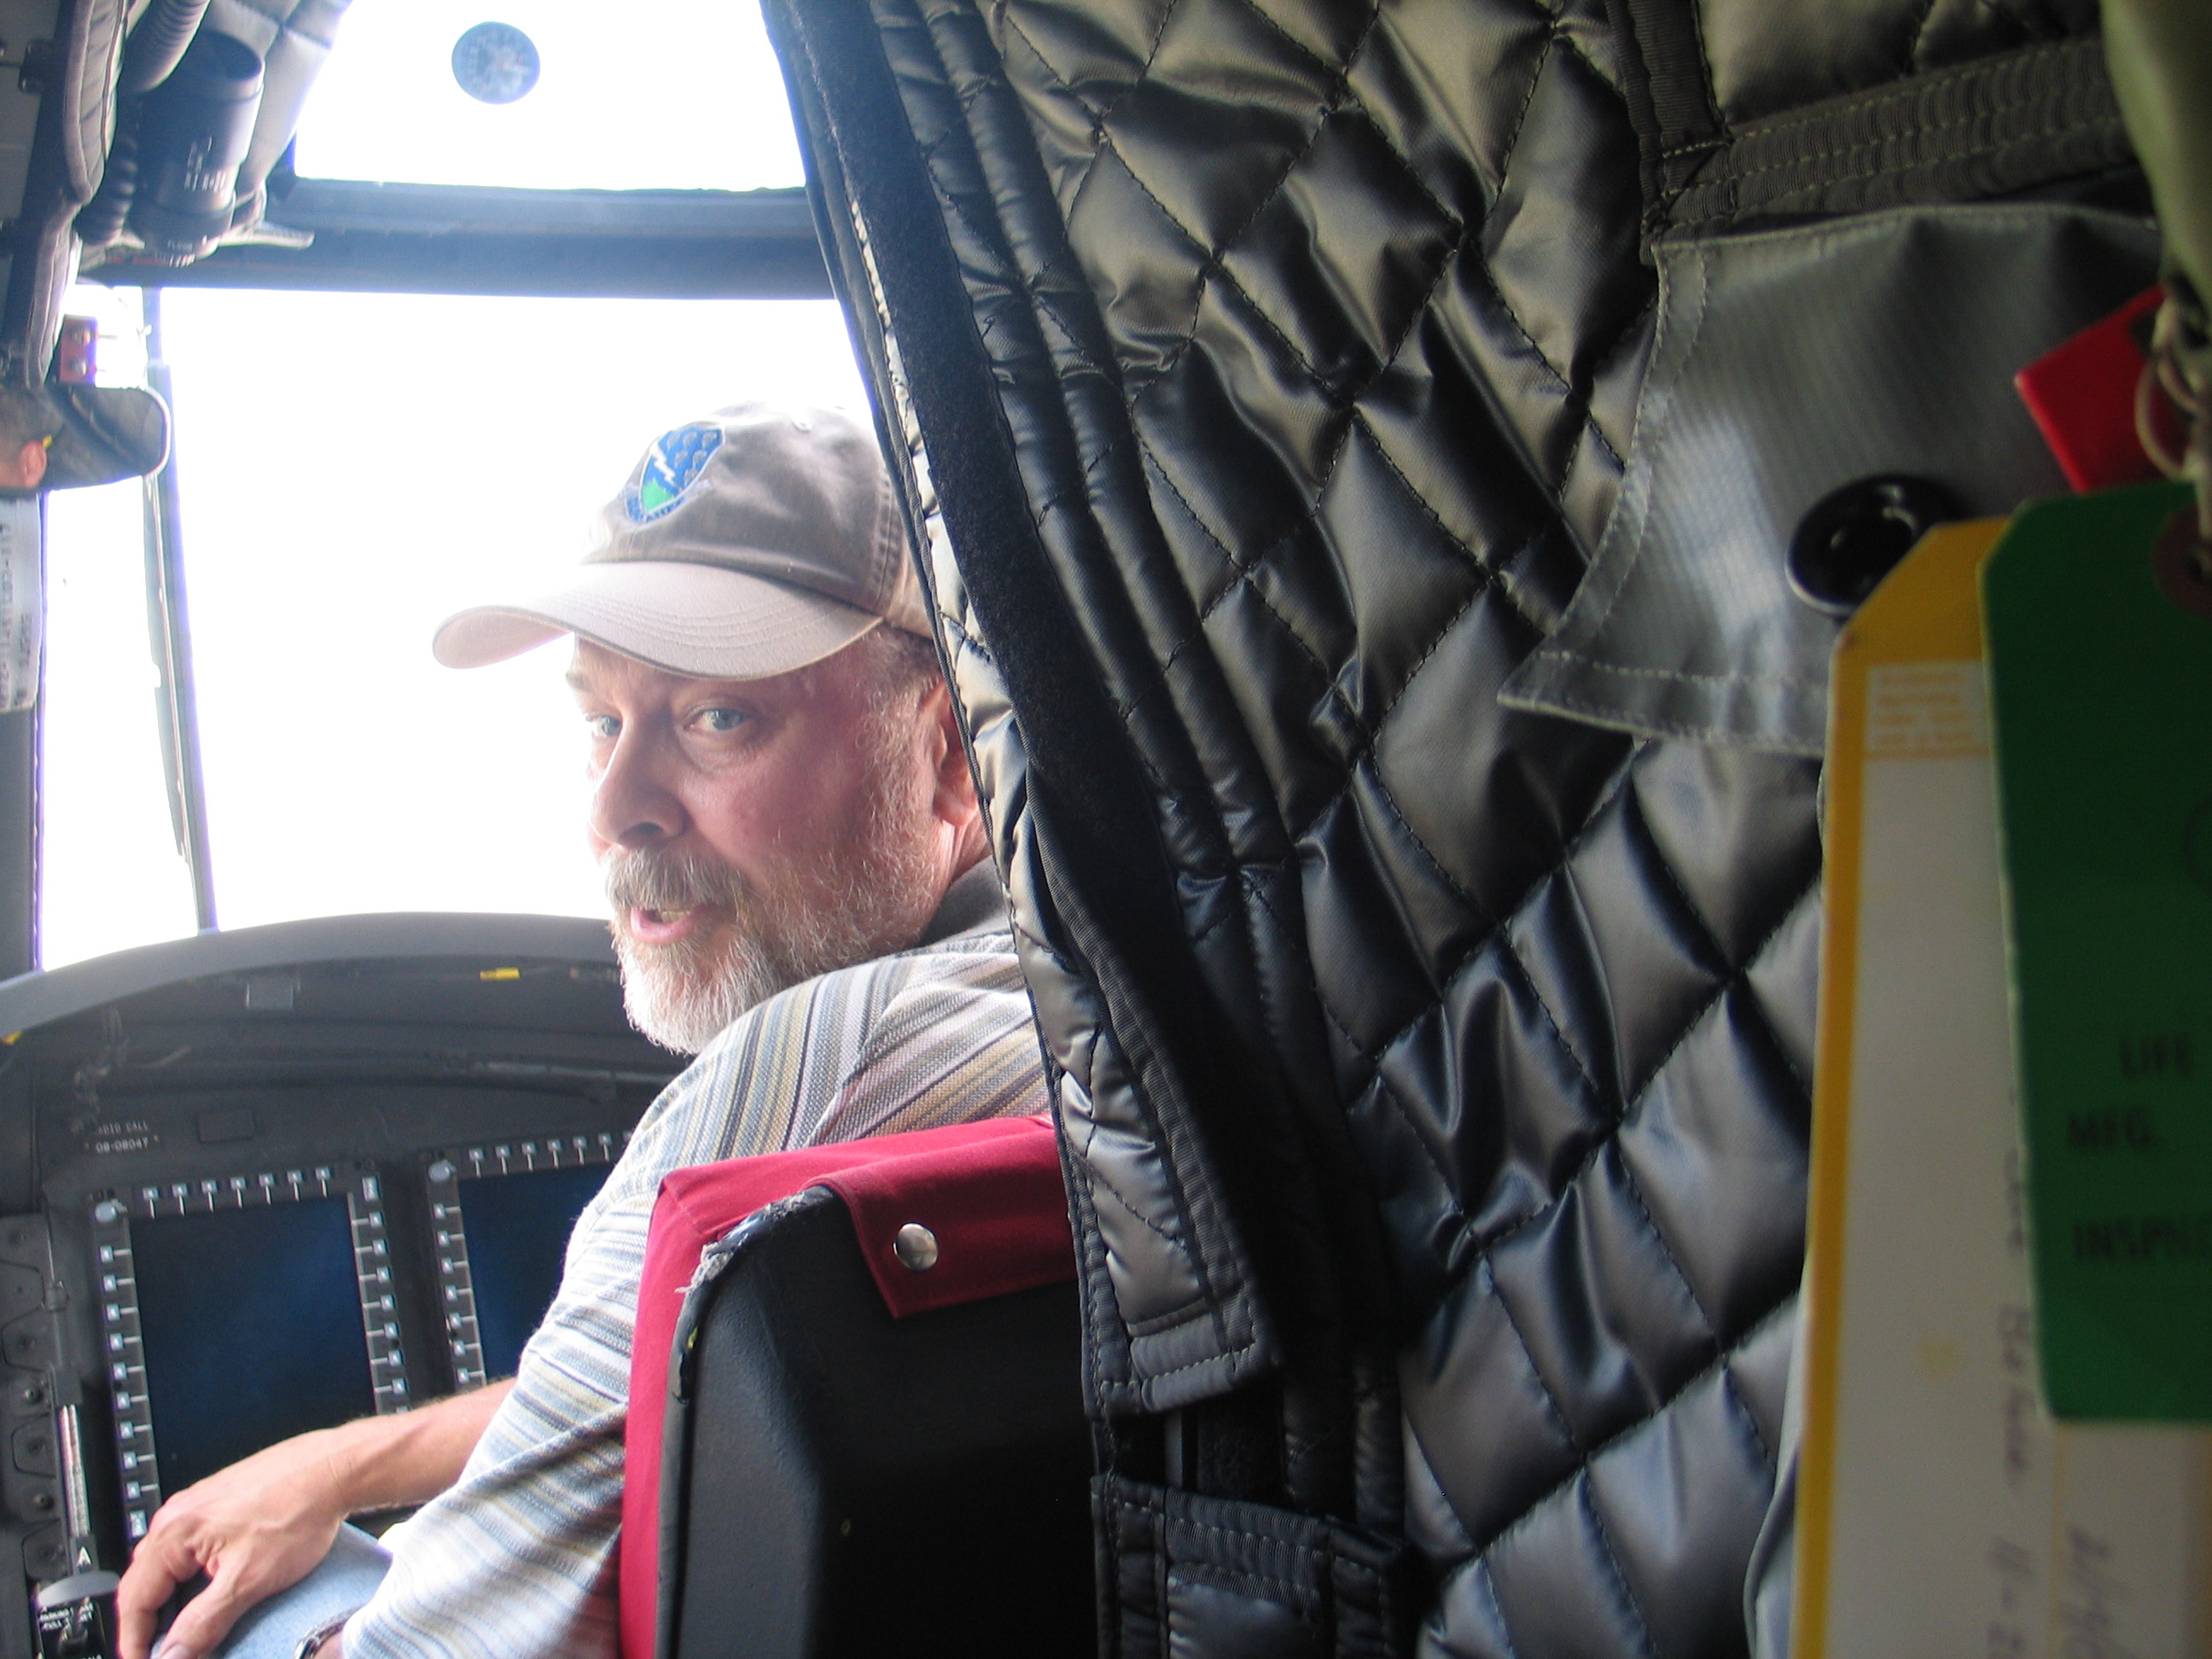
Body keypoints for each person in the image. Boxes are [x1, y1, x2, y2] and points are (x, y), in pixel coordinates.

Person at [112, 404, 1048, 1659]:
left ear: (946, 749)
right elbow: (674, 1370)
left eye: (718, 717)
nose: (616, 808)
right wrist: (346, 1462)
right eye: (602, 723)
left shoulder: (812, 1070)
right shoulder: (1074, 999)